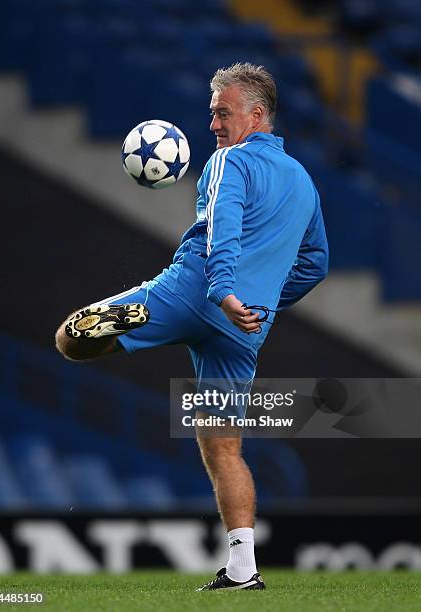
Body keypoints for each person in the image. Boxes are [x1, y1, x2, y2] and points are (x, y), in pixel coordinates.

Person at [55, 62, 329, 590]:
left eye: (221, 114)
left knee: (69, 339)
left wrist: (224, 292)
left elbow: (222, 225)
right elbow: (315, 265)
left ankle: (123, 322)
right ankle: (244, 571)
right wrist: (261, 302)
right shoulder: (304, 183)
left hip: (197, 290)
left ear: (255, 114)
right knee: (224, 446)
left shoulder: (231, 161)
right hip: (246, 328)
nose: (213, 126)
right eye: (211, 115)